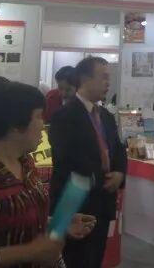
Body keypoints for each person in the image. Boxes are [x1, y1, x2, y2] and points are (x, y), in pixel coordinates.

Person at [0, 82, 96, 266]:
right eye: (38, 117)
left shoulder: (26, 164)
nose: (43, 125)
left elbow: (13, 220)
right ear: (16, 125)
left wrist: (57, 223)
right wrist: (31, 252)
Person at [49, 56, 127, 268]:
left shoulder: (106, 116)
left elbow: (119, 150)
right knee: (74, 260)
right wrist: (103, 180)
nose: (108, 83)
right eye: (103, 77)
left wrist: (120, 174)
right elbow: (67, 162)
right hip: (74, 203)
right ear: (85, 79)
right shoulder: (64, 116)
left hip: (102, 204)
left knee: (95, 259)